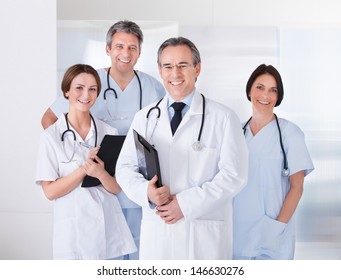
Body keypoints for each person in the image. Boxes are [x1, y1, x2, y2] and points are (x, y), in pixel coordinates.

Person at [41, 20, 166, 259]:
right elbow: (49, 119)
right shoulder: (90, 82)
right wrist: (74, 155)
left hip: (138, 185)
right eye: (119, 46)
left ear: (140, 52)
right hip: (98, 185)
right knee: (103, 254)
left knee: (138, 254)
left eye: (132, 47)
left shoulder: (153, 87)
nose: (125, 53)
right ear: (108, 49)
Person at [115, 37, 248, 260]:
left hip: (202, 237)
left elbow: (234, 175)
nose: (175, 73)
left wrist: (186, 205)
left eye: (183, 65)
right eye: (168, 66)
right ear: (159, 70)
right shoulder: (145, 118)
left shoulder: (223, 118)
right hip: (159, 233)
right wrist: (146, 193)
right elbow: (125, 169)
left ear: (197, 68)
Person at [35, 64, 136, 259]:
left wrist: (100, 173)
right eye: (79, 88)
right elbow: (50, 192)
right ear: (66, 91)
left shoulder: (109, 132)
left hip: (107, 230)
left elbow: (116, 188)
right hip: (73, 233)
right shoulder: (51, 136)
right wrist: (84, 169)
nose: (85, 95)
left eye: (92, 89)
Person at [232, 64, 314, 260]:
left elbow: (297, 187)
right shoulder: (235, 132)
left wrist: (277, 227)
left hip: (273, 235)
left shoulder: (290, 133)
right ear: (250, 90)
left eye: (273, 90)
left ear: (278, 97)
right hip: (237, 233)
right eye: (260, 87)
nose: (265, 95)